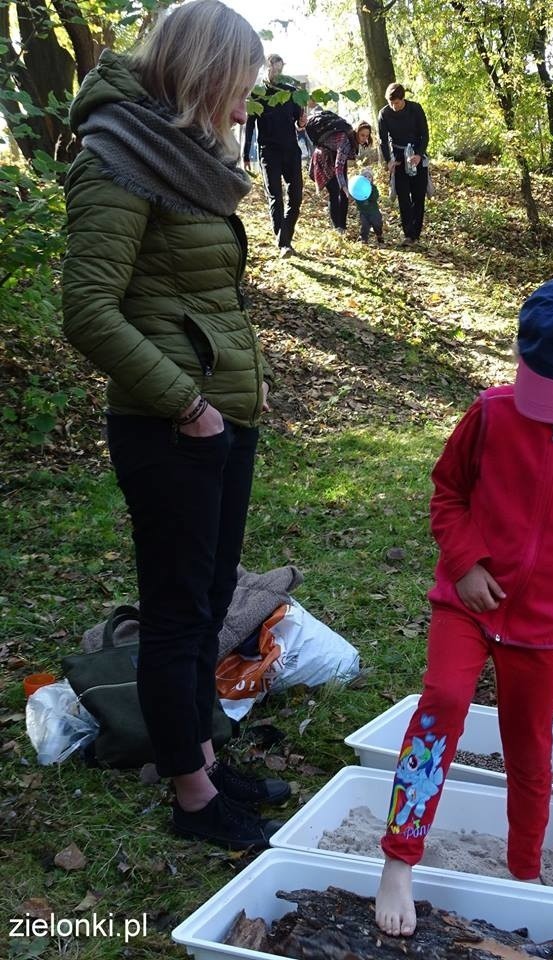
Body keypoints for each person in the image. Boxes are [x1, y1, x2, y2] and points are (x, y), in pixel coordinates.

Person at [62, 0, 290, 850]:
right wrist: (188, 405)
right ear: (203, 72)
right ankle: (193, 801)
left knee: (206, 605)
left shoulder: (181, 155)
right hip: (172, 427)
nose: (249, 100)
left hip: (220, 417)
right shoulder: (119, 157)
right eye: (241, 82)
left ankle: (202, 755)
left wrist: (224, 403)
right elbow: (87, 310)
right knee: (175, 613)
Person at [375, 278, 553, 937]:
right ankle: (399, 859)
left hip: (544, 622)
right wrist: (465, 564)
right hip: (466, 605)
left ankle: (524, 871)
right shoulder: (489, 414)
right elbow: (446, 494)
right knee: (443, 704)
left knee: (532, 747)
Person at [243, 54, 305, 258]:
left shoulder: (290, 92)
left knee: (296, 197)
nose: (277, 74)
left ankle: (283, 238)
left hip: (291, 150)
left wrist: (302, 121)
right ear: (266, 69)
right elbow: (250, 126)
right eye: (274, 70)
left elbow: (299, 121)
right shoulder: (258, 94)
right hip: (269, 152)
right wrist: (245, 155)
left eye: (280, 70)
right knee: (275, 197)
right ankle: (284, 245)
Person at [378, 83, 429, 245]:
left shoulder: (415, 109)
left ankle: (416, 233)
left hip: (416, 153)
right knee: (403, 196)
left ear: (403, 99)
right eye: (391, 103)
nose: (394, 106)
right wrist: (389, 160)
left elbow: (425, 134)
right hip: (399, 156)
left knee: (418, 195)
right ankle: (408, 234)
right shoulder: (384, 114)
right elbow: (383, 140)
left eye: (397, 103)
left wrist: (419, 155)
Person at [308, 115, 359, 235]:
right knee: (335, 191)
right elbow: (338, 168)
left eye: (367, 136)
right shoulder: (345, 141)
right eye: (362, 135)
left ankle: (343, 226)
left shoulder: (352, 141)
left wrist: (345, 188)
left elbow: (343, 162)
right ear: (356, 133)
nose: (364, 138)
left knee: (344, 195)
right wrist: (345, 187)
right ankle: (337, 227)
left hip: (336, 156)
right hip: (324, 158)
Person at [354, 167, 383, 245]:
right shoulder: (359, 189)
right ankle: (364, 239)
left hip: (374, 212)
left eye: (369, 177)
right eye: (365, 176)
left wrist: (369, 195)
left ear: (372, 179)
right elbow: (356, 197)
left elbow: (375, 197)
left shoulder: (373, 188)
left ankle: (379, 235)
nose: (367, 178)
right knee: (364, 226)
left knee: (377, 224)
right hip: (363, 211)